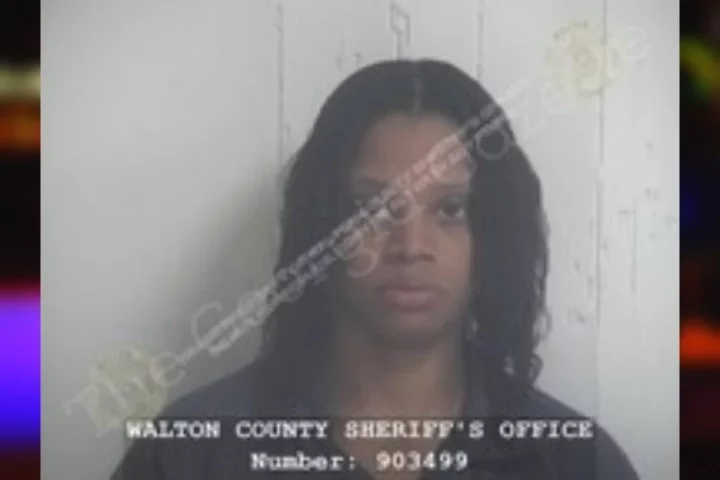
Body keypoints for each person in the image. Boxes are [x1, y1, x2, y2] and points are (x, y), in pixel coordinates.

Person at [111, 59, 638, 479]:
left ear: (494, 237)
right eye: (372, 209)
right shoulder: (192, 455)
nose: (410, 246)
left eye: (450, 210)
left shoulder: (571, 461)